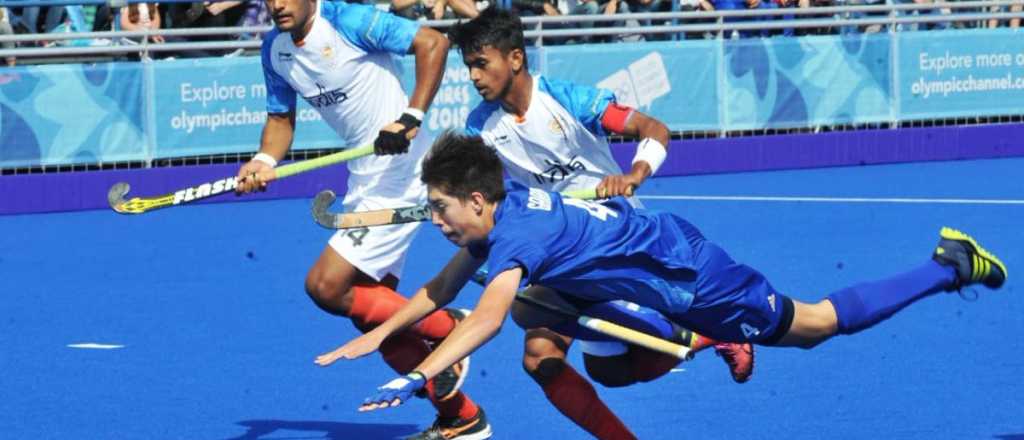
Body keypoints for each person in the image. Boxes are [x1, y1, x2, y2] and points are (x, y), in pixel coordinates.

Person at [315, 131, 1008, 419]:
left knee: (814, 325)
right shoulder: (501, 213)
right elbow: (440, 288)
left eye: (440, 210)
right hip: (645, 267)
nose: (436, 221)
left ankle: (946, 265)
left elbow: (487, 316)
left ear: (475, 201)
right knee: (540, 315)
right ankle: (674, 335)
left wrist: (418, 371)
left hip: (696, 277)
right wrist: (382, 337)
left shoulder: (515, 234)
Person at [446, 7, 753, 438]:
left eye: (482, 63)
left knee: (541, 351)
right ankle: (704, 336)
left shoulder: (568, 99)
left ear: (515, 58)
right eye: (468, 67)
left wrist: (633, 175)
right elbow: (495, 200)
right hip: (554, 248)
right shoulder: (480, 126)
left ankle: (699, 328)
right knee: (602, 371)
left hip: (613, 235)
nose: (474, 76)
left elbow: (654, 128)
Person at [234, 0, 491, 438]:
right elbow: (280, 118)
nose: (276, 5)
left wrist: (410, 118)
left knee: (325, 285)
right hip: (366, 178)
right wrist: (262, 159)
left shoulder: (347, 20)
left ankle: (450, 327)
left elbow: (433, 42)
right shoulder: (274, 49)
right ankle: (461, 418)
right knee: (372, 318)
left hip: (405, 171)